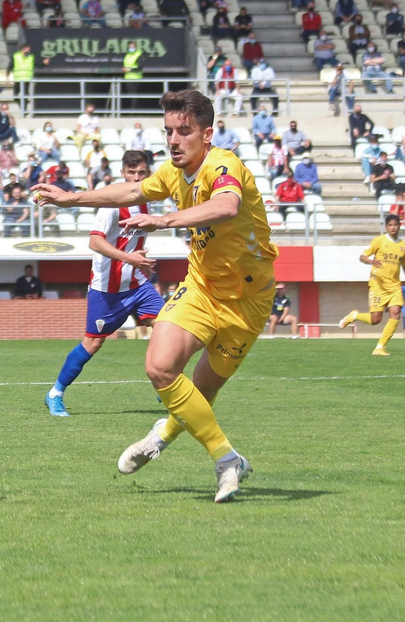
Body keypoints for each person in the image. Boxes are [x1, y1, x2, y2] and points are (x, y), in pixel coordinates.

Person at [32, 89, 275, 503]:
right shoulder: (171, 172)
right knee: (160, 368)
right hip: (201, 288)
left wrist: (165, 220)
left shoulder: (223, 165)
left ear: (207, 134)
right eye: (169, 132)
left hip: (248, 302)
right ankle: (227, 459)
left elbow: (228, 206)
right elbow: (130, 193)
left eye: (184, 131)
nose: (174, 140)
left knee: (202, 393)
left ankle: (160, 434)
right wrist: (71, 198)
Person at [45, 150, 166, 416]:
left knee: (167, 327)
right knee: (92, 344)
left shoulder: (146, 199)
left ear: (148, 174)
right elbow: (94, 242)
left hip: (137, 282)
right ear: (123, 173)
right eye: (131, 173)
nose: (136, 178)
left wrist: (138, 257)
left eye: (142, 173)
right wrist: (129, 257)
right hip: (107, 288)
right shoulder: (110, 205)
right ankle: (55, 393)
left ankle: (164, 385)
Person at [338, 214, 405, 356]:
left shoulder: (403, 246)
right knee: (376, 319)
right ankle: (354, 315)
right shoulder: (379, 241)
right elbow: (362, 257)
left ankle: (380, 347)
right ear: (386, 227)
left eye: (395, 225)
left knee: (396, 314)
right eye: (390, 225)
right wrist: (371, 262)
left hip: (394, 286)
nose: (393, 227)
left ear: (399, 226)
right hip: (378, 285)